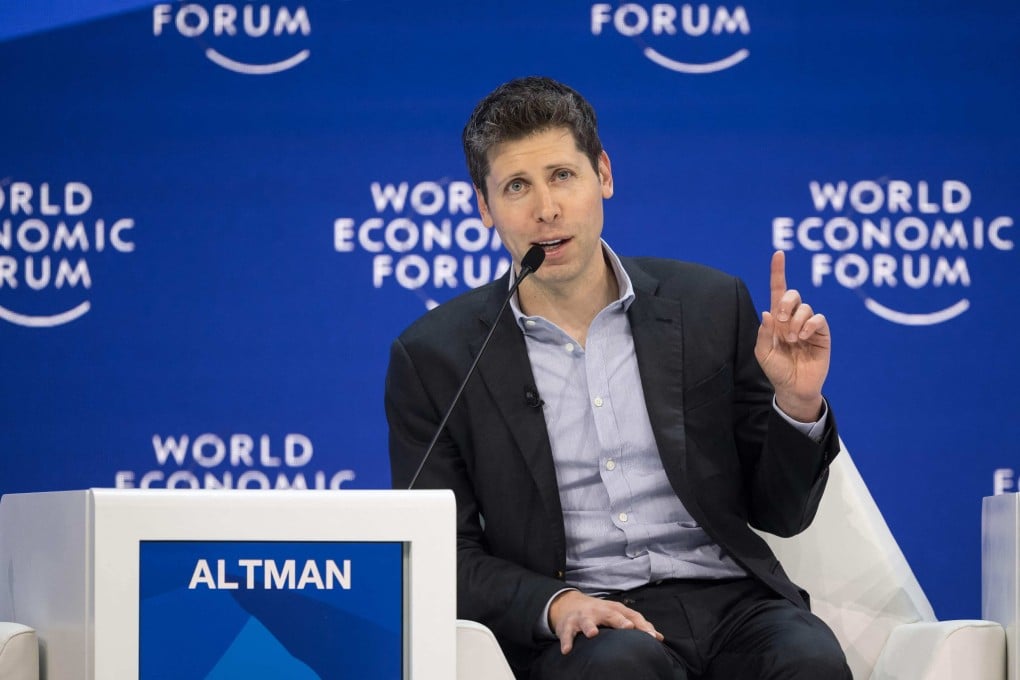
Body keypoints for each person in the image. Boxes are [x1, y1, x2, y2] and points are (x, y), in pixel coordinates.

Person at [385, 76, 851, 680]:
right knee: (621, 670)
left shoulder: (709, 305)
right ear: (484, 206)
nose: (545, 209)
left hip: (735, 603)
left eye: (562, 176)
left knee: (808, 659)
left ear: (602, 174)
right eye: (516, 186)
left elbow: (782, 514)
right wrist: (553, 606)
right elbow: (440, 550)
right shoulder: (436, 357)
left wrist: (797, 401)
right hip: (588, 625)